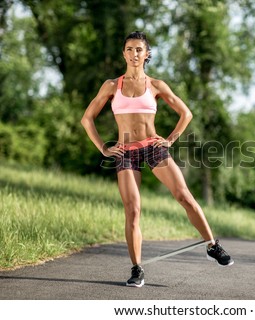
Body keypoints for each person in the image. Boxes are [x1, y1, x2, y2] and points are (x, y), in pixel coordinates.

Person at [81, 31, 233, 288]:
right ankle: (137, 269)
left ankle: (212, 245)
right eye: (129, 49)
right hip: (125, 152)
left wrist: (171, 139)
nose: (134, 54)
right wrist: (103, 149)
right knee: (133, 209)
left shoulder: (156, 86)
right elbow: (87, 119)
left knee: (184, 196)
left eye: (139, 49)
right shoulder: (111, 86)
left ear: (147, 54)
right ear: (124, 54)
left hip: (153, 148)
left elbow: (186, 113)